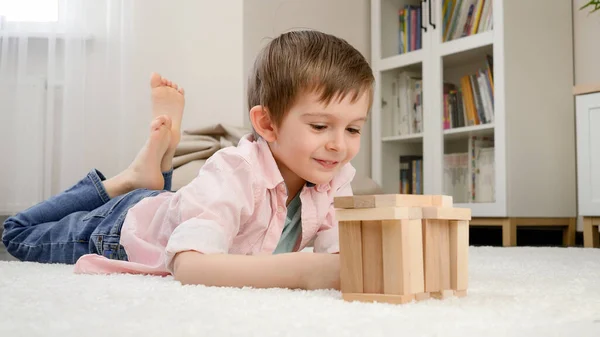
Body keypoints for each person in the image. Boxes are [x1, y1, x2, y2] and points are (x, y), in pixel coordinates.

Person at [2, 30, 374, 291]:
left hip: (177, 208)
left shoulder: (336, 177)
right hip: (121, 230)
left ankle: (154, 177)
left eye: (354, 130)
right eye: (321, 126)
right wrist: (304, 271)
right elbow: (190, 265)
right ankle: (130, 179)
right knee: (16, 232)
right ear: (267, 124)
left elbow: (342, 256)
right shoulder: (235, 170)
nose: (339, 146)